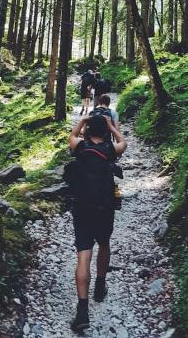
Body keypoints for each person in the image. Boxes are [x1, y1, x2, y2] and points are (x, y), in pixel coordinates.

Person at [68, 115, 127, 332]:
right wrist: (113, 126)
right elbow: (124, 142)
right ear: (105, 133)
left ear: (87, 130)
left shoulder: (80, 148)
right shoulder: (111, 150)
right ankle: (100, 287)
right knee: (104, 243)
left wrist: (82, 121)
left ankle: (82, 311)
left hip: (82, 208)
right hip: (105, 208)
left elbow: (71, 135)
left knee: (84, 255)